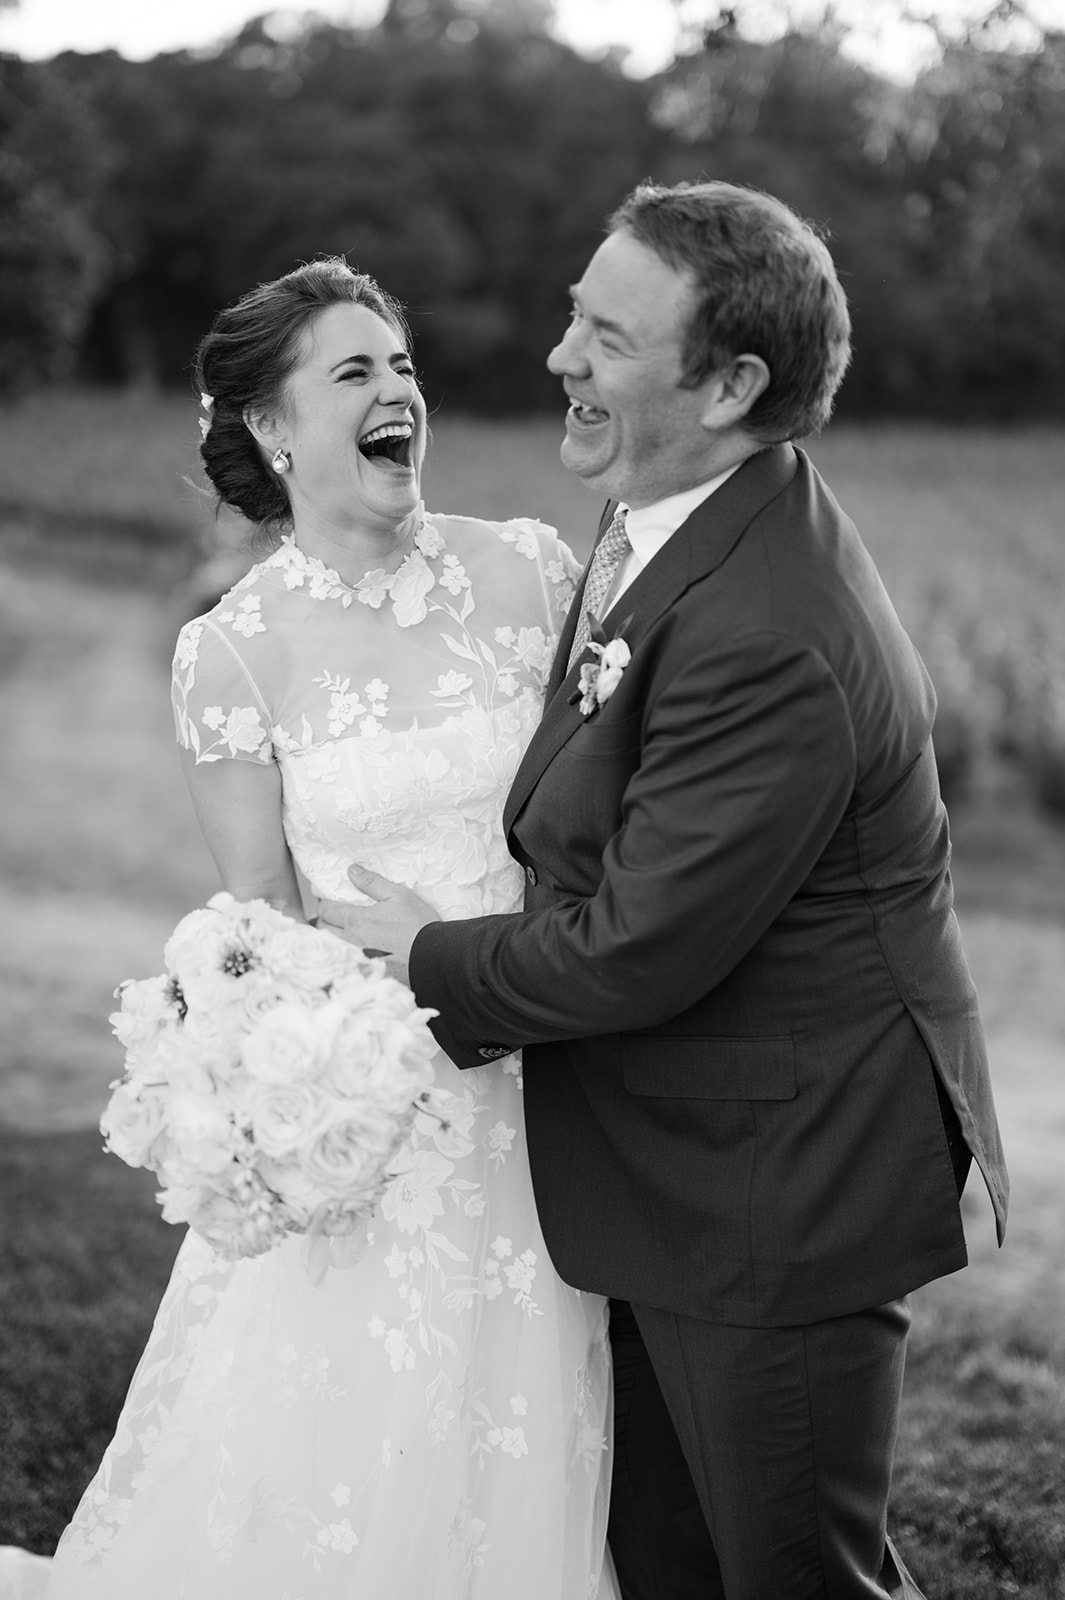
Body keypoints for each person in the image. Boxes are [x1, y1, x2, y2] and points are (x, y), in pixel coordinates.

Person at [319, 180, 1010, 1600]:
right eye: (574, 313)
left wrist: (426, 957)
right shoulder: (674, 518)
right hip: (677, 1146)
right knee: (669, 1562)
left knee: (791, 1578)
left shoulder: (767, 626)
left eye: (608, 337)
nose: (561, 355)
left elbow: (639, 948)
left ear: (730, 383)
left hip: (777, 1181)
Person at [41, 259, 619, 1599]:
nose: (393, 390)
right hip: (386, 1123)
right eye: (352, 371)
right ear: (273, 430)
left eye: (401, 365)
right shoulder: (234, 652)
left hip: (565, 1081)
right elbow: (262, 929)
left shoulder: (530, 570)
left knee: (535, 1432)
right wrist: (284, 1093)